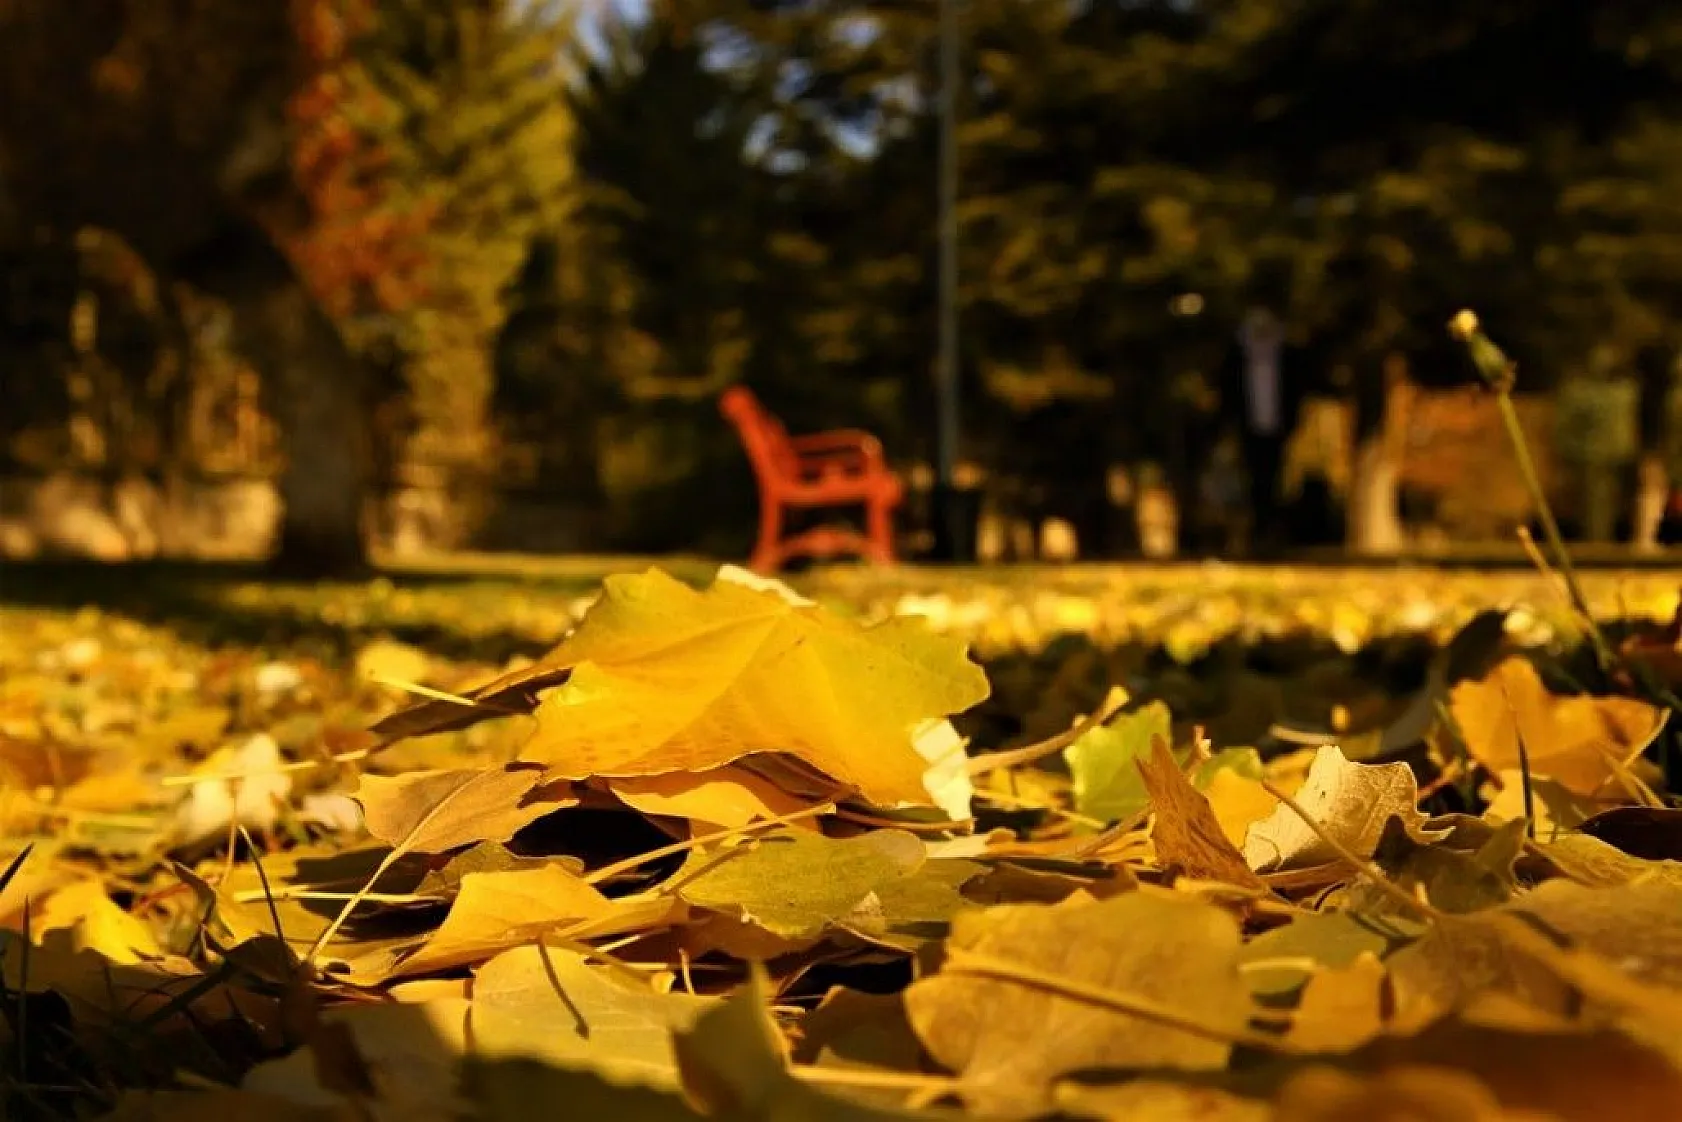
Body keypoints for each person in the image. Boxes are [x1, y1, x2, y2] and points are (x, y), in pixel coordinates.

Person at [1217, 307, 1309, 554]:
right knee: (1252, 483)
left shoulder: (1287, 359)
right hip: (1249, 432)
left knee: (1275, 483)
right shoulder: (1238, 361)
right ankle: (1254, 534)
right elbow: (1228, 397)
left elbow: (1295, 395)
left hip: (1277, 431)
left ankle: (1273, 534)